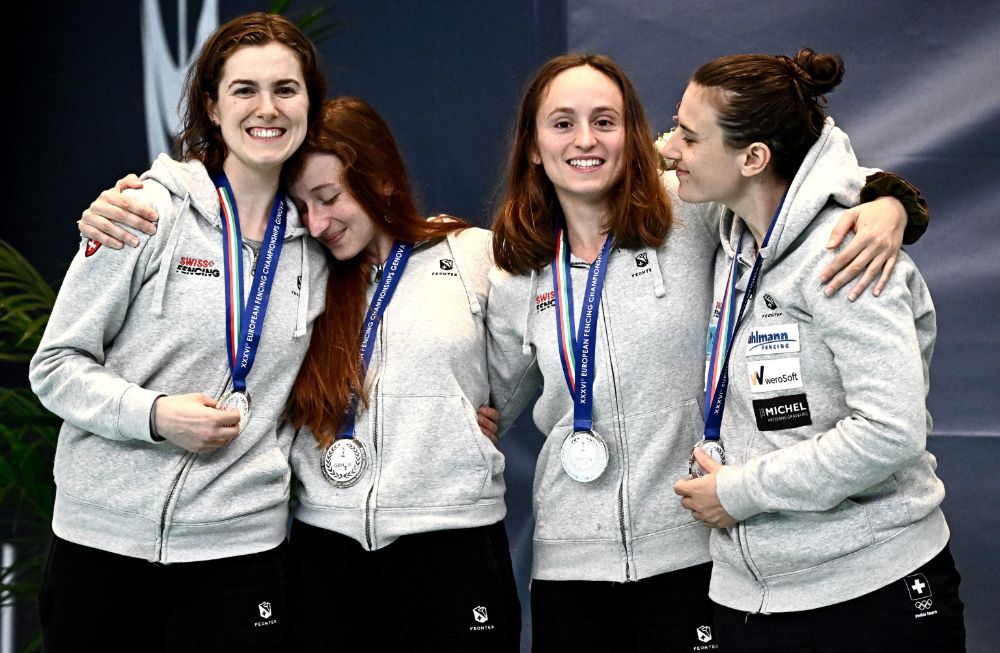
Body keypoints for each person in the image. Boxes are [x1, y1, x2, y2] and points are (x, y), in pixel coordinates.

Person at [485, 53, 925, 652]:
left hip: (696, 548)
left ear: (637, 137)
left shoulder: (690, 210)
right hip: (570, 563)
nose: (584, 140)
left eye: (605, 121)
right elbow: (492, 397)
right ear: (533, 145)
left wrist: (892, 202)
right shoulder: (511, 272)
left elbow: (794, 173)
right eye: (562, 123)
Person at [78, 97, 519, 651]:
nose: (318, 222)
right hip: (325, 545)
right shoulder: (298, 269)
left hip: (450, 542)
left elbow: (522, 363)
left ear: (381, 179)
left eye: (329, 197)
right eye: (301, 205)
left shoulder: (469, 252)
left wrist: (474, 418)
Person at [29, 12, 328, 652]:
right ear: (212, 109)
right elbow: (54, 366)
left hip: (241, 552)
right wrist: (156, 414)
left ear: (309, 106)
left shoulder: (319, 249)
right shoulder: (144, 210)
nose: (266, 108)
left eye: (286, 89)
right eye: (244, 89)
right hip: (101, 544)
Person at [668, 49, 964, 652]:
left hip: (872, 591)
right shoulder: (733, 240)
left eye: (688, 137)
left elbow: (890, 431)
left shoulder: (846, 251)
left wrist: (739, 493)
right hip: (751, 596)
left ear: (753, 158)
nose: (668, 148)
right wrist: (894, 195)